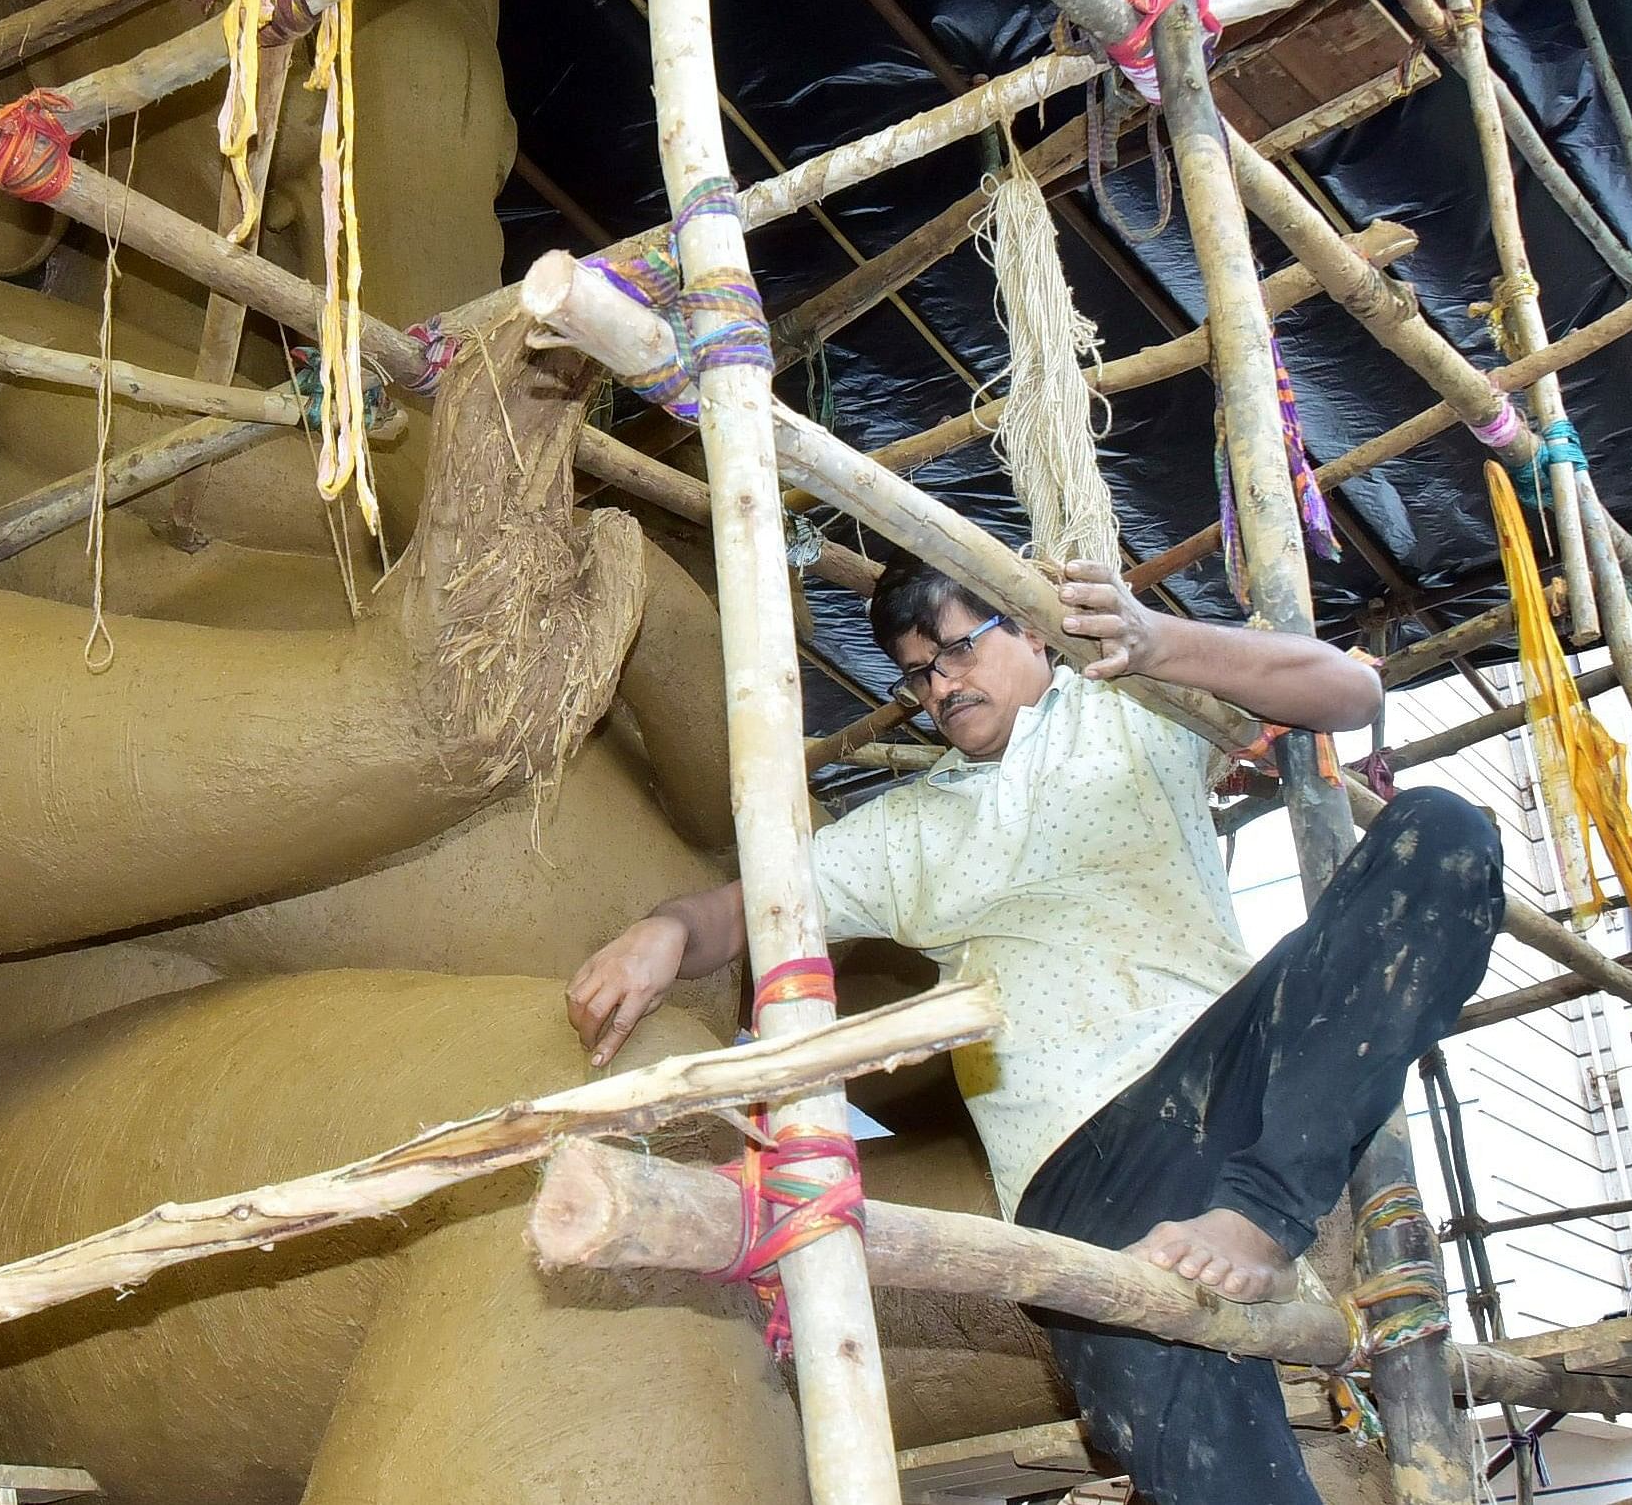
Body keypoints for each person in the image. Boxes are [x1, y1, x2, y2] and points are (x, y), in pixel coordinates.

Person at [566, 553, 1504, 1504]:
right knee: (1216, 1479)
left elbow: (1350, 691)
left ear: (1032, 630)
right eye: (919, 672)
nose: (942, 686)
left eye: (961, 647)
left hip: (1225, 1082)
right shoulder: (906, 830)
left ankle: (1262, 1214)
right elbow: (745, 908)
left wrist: (1156, 640)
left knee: (1441, 835)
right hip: (1072, 1177)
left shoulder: (1136, 709)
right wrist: (667, 930)